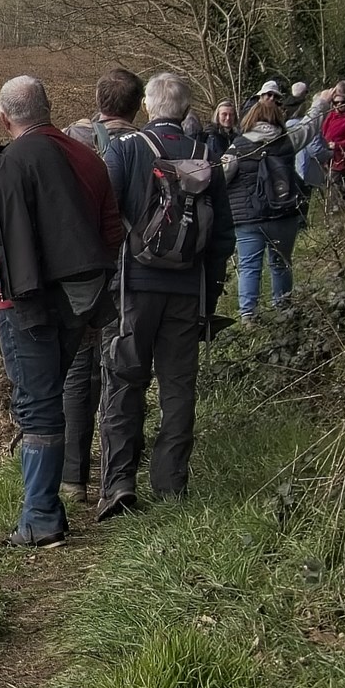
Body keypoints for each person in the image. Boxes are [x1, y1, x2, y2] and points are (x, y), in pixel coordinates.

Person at [0, 74, 120, 547]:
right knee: (50, 392)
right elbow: (111, 231)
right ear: (49, 109)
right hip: (80, 299)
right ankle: (51, 498)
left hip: (22, 303)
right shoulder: (89, 159)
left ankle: (41, 517)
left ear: (3, 118)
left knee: (36, 405)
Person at [96, 69, 232, 514]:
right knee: (178, 387)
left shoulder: (126, 149)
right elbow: (223, 236)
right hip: (186, 292)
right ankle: (171, 485)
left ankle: (119, 484)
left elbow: (104, 218)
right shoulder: (206, 154)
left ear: (149, 108)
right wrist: (207, 300)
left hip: (131, 290)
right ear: (187, 111)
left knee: (123, 381)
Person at [57, 67, 144, 504]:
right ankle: (117, 473)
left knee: (78, 371)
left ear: (98, 99)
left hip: (77, 273)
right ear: (137, 105)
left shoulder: (71, 140)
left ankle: (72, 477)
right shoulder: (144, 147)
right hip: (126, 274)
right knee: (119, 368)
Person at [222, 88, 307, 318]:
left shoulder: (238, 146)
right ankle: (284, 311)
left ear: (250, 117)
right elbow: (310, 127)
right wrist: (322, 103)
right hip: (283, 213)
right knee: (280, 264)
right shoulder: (288, 141)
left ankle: (249, 316)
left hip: (249, 217)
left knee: (249, 267)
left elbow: (222, 175)